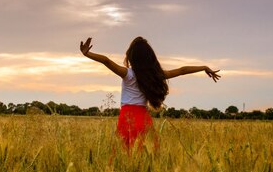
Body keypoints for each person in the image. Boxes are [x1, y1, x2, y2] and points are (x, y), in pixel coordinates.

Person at [79, 36, 220, 150]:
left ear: (131, 56)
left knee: (124, 155)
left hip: (127, 117)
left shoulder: (128, 74)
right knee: (147, 155)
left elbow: (106, 61)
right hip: (143, 118)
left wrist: (87, 54)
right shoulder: (155, 74)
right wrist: (204, 67)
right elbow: (182, 70)